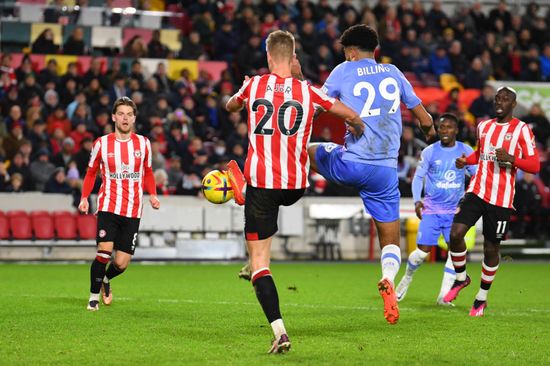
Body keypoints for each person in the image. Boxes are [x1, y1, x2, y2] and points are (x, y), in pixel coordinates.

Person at [225, 30, 364, 353]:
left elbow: (231, 107)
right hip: (296, 185)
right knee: (305, 157)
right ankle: (251, 246)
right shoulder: (309, 91)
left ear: (269, 56)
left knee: (261, 263)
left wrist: (241, 94)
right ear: (293, 57)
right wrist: (358, 128)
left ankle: (279, 330)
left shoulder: (254, 85)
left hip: (262, 186)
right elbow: (347, 114)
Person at [307, 25, 435, 325]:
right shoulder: (393, 72)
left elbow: (316, 106)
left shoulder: (343, 70)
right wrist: (429, 135)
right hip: (385, 171)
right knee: (390, 239)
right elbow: (425, 119)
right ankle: (388, 278)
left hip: (351, 162)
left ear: (351, 52)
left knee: (306, 149)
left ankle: (266, 183)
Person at [443, 87, 540, 316]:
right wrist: (466, 160)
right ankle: (461, 278)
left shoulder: (522, 130)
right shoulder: (483, 126)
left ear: (513, 104)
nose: (500, 101)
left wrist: (512, 159)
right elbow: (481, 153)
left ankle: (481, 298)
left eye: (505, 99)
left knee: (491, 248)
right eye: (498, 98)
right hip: (477, 190)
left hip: (501, 198)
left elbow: (535, 165)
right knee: (455, 234)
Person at [78, 97, 160, 312]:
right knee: (104, 251)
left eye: (129, 114)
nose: (125, 118)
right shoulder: (101, 144)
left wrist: (153, 194)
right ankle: (93, 297)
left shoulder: (143, 144)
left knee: (122, 263)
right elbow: (90, 172)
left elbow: (148, 172)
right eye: (121, 114)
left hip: (133, 209)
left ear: (134, 119)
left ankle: (105, 278)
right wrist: (84, 198)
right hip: (108, 206)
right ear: (114, 117)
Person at [394, 114, 477, 305]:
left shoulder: (465, 151)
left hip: (455, 212)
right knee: (422, 253)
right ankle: (406, 278)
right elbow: (417, 177)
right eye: (441, 127)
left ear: (456, 130)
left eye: (449, 127)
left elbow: (476, 177)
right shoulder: (430, 151)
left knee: (454, 252)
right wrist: (417, 201)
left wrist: (468, 200)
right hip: (431, 210)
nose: (444, 131)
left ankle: (443, 297)